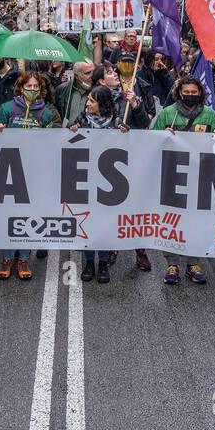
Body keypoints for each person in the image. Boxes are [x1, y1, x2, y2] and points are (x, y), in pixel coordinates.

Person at [151, 77, 215, 285]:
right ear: (179, 93)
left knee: (196, 221)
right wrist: (162, 135)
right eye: (187, 91)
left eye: (194, 92)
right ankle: (171, 263)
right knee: (171, 221)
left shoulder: (209, 115)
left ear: (200, 93)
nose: (190, 95)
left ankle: (193, 262)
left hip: (199, 176)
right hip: (172, 176)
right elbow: (151, 141)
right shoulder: (167, 113)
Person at [0, 71, 61, 280]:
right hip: (8, 171)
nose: (31, 90)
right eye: (28, 87)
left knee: (28, 216)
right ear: (20, 88)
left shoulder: (47, 113)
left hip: (34, 172)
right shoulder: (7, 109)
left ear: (41, 90)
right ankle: (6, 257)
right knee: (7, 216)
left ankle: (23, 258)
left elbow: (55, 141)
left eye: (35, 87)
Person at [68, 85, 128, 284]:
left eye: (92, 101)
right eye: (88, 100)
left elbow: (129, 142)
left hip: (110, 183)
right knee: (89, 223)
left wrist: (125, 131)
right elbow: (70, 140)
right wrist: (72, 129)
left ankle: (103, 263)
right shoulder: (82, 119)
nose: (88, 104)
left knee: (104, 223)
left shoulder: (116, 121)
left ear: (102, 103)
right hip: (87, 178)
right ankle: (88, 261)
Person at [56, 60, 95, 126]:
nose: (92, 76)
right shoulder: (62, 89)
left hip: (90, 133)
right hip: (65, 133)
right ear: (77, 75)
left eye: (93, 72)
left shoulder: (97, 91)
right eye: (87, 73)